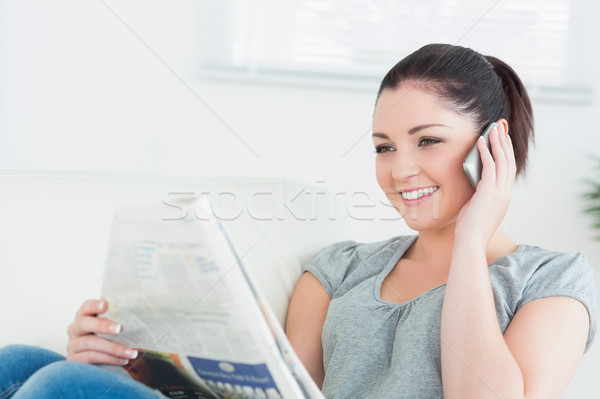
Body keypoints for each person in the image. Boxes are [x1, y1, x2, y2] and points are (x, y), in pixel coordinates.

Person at [0, 43, 596, 399]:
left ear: (494, 147)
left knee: (54, 390)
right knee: (23, 363)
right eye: (384, 147)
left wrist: (470, 243)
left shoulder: (551, 282)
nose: (399, 169)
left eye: (428, 140)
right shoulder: (339, 269)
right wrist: (136, 363)